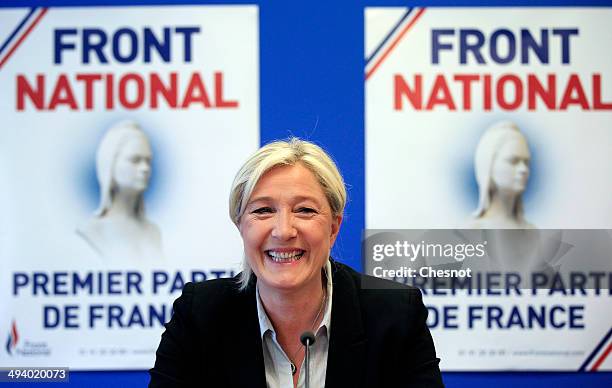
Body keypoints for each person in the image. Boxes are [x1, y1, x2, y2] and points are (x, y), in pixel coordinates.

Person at [149, 138, 443, 388]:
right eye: (263, 210)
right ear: (240, 225)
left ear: (333, 227)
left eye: (304, 210)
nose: (283, 231)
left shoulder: (394, 315)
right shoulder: (199, 315)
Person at [76, 120, 163, 261]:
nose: (145, 168)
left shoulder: (154, 231)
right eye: (135, 160)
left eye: (148, 161)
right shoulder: (92, 231)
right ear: (110, 164)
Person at [467, 121, 534, 229]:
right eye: (513, 161)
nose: (524, 169)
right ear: (488, 165)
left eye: (526, 162)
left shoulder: (530, 231)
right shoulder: (472, 231)